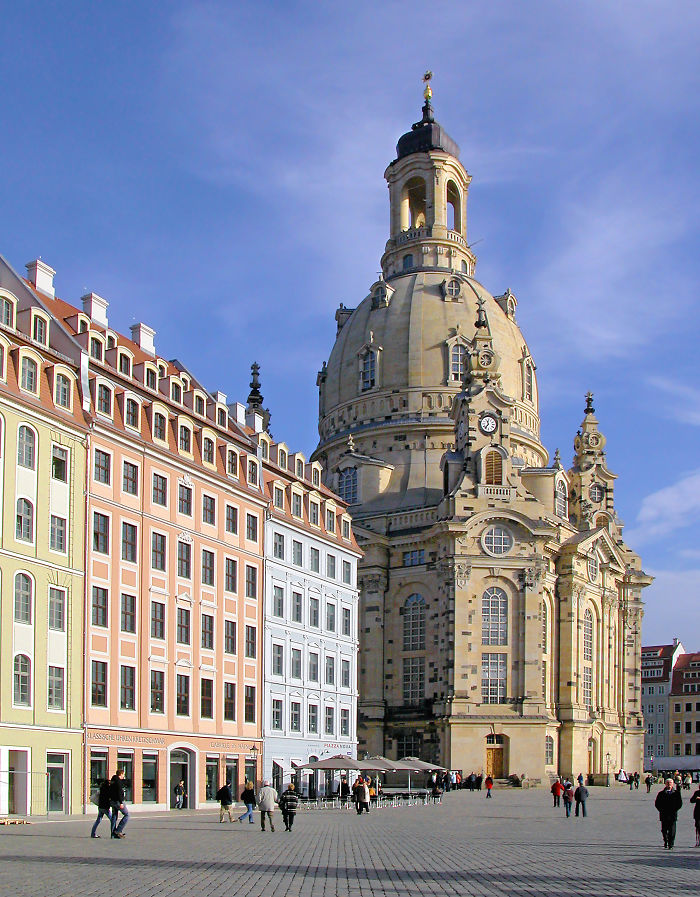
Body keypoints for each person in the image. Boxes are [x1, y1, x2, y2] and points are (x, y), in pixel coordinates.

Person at [655, 778, 682, 849]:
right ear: (665, 784)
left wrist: (674, 809)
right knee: (664, 830)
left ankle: (671, 843)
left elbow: (679, 803)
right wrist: (661, 810)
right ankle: (665, 840)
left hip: (672, 814)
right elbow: (657, 803)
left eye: (670, 783)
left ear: (673, 784)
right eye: (668, 783)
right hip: (664, 814)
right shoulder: (661, 793)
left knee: (672, 830)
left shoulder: (676, 793)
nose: (669, 784)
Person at [109, 769, 129, 839]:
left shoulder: (113, 781)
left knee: (114, 816)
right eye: (123, 774)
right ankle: (118, 831)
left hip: (112, 801)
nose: (124, 776)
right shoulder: (118, 782)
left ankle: (113, 834)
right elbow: (119, 793)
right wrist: (121, 802)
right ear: (120, 774)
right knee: (126, 815)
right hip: (118, 801)